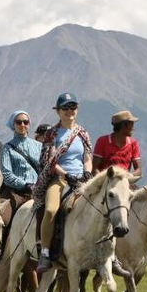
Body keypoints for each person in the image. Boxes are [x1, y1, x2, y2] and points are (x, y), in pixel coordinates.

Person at [33, 93, 92, 274]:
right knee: (51, 210)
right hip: (59, 178)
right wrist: (66, 174)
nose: (69, 111)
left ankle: (108, 253)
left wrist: (87, 172)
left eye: (72, 107)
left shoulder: (83, 133)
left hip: (81, 180)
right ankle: (44, 252)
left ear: (77, 109)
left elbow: (87, 157)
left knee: (104, 206)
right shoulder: (52, 133)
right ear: (58, 111)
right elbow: (48, 160)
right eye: (65, 108)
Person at [0, 110, 42, 204]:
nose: (22, 125)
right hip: (16, 192)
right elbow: (7, 174)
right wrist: (25, 185)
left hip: (38, 191)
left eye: (25, 122)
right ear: (13, 125)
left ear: (29, 124)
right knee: (5, 217)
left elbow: (44, 169)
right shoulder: (7, 148)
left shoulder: (39, 146)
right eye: (19, 122)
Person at [93, 110, 143, 178]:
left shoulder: (133, 143)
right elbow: (94, 168)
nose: (133, 127)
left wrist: (126, 176)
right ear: (123, 125)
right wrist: (104, 181)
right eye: (131, 124)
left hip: (124, 182)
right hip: (105, 182)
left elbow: (139, 170)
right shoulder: (102, 141)